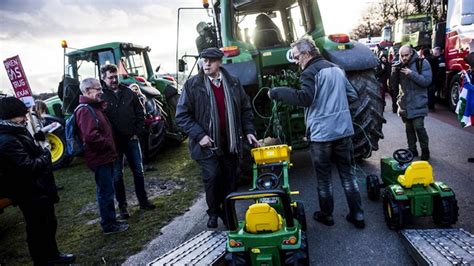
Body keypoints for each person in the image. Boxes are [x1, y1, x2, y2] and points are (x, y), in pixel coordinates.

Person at [268, 37, 365, 229]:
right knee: (348, 175)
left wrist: (277, 92)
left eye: (296, 57)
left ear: (306, 53)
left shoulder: (309, 72)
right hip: (343, 132)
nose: (296, 61)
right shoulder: (337, 68)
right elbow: (353, 95)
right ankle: (358, 215)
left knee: (324, 178)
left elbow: (305, 98)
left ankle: (327, 215)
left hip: (321, 136)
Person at [175, 47, 259, 228]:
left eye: (210, 60)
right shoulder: (193, 85)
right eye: (204, 60)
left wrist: (249, 131)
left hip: (230, 143)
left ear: (219, 62)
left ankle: (227, 213)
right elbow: (182, 116)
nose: (206, 63)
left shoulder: (233, 83)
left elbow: (245, 110)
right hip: (206, 145)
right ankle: (213, 212)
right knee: (213, 178)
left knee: (230, 180)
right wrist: (200, 135)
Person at [0, 97, 75, 264]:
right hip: (30, 192)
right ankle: (43, 260)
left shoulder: (16, 131)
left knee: (48, 224)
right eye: (22, 115)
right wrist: (46, 156)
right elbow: (26, 166)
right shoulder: (7, 140)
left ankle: (53, 255)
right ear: (11, 115)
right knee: (37, 229)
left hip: (38, 188)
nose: (26, 118)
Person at [100, 64, 156, 219]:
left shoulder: (128, 92)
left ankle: (143, 201)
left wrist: (137, 132)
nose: (113, 80)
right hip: (114, 144)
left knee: (138, 171)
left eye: (115, 76)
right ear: (103, 79)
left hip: (131, 140)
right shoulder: (101, 97)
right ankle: (123, 207)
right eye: (110, 77)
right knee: (117, 175)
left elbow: (140, 113)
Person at [75, 78, 129, 234]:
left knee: (107, 190)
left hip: (104, 156)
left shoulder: (93, 107)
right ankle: (108, 225)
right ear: (86, 91)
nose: (101, 92)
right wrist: (108, 144)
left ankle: (111, 221)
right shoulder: (85, 110)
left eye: (100, 88)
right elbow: (90, 136)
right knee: (105, 192)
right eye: (97, 89)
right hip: (100, 158)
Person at [390, 45, 432, 160]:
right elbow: (393, 86)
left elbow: (427, 82)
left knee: (419, 127)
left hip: (419, 102)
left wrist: (411, 74)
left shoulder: (422, 63)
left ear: (412, 53)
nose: (404, 58)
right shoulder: (399, 64)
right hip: (405, 103)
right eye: (401, 56)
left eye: (406, 55)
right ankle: (412, 150)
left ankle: (425, 150)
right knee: (409, 128)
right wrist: (394, 71)